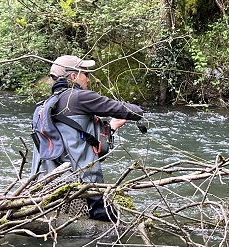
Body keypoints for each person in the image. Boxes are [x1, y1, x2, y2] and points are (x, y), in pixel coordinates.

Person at [31, 55, 145, 221]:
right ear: (74, 76)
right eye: (86, 74)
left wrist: (111, 127)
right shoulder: (79, 97)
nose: (89, 79)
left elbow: (75, 140)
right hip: (84, 188)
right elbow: (127, 111)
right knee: (113, 225)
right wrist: (139, 111)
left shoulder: (43, 106)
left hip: (46, 187)